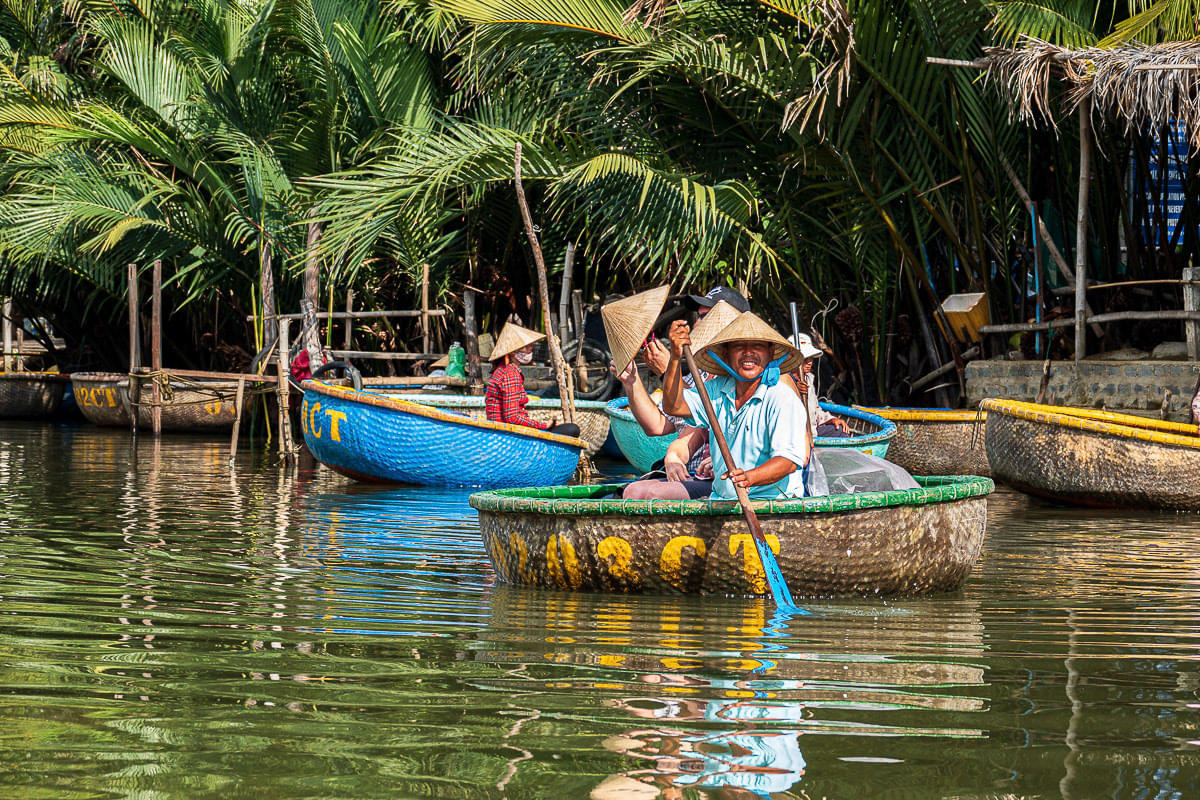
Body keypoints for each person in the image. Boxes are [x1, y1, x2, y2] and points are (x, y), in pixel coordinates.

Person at [661, 312, 810, 500]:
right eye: (739, 347)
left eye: (757, 346)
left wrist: (749, 478)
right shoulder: (716, 390)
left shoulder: (781, 397)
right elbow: (673, 407)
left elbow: (787, 462)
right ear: (726, 354)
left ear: (770, 353)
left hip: (772, 502)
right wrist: (675, 357)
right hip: (722, 500)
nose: (748, 353)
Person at [484, 322, 580, 438]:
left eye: (530, 346)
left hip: (505, 430)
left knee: (568, 428)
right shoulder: (510, 373)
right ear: (513, 352)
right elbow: (512, 417)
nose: (530, 349)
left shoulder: (503, 369)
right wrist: (544, 425)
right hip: (506, 434)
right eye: (526, 347)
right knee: (572, 429)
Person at [791, 332, 851, 439]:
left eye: (811, 358)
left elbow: (815, 409)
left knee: (840, 431)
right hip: (797, 435)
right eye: (805, 359)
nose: (809, 362)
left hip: (813, 431)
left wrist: (829, 419)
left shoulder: (808, 378)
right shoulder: (783, 381)